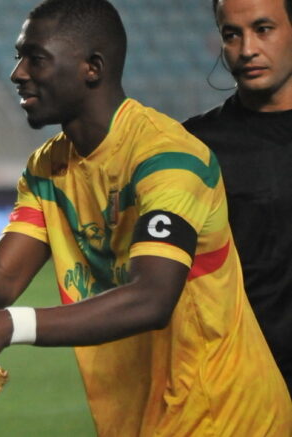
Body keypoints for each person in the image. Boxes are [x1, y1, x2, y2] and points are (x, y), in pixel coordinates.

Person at [0, 0, 292, 435]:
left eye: (35, 59)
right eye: (19, 57)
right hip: (145, 418)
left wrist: (11, 326)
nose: (17, 73)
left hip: (229, 416)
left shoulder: (168, 156)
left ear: (92, 68)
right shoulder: (47, 167)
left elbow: (152, 297)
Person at [183, 0, 292, 393]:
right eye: (232, 34)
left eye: (263, 29)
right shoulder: (192, 148)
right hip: (241, 391)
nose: (247, 49)